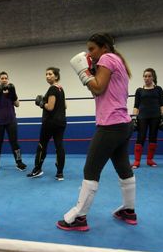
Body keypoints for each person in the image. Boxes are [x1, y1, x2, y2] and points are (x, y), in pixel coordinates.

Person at [57, 33, 137, 231]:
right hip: (122, 124)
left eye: (92, 49)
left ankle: (79, 218)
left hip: (110, 125)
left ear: (104, 47)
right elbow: (97, 91)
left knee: (90, 170)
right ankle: (129, 210)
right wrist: (90, 71)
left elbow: (98, 88)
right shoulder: (116, 61)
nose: (89, 53)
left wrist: (83, 72)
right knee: (123, 167)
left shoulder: (108, 58)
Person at [27, 67, 66, 180]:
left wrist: (41, 103)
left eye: (50, 74)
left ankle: (37, 169)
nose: (47, 76)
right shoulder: (61, 89)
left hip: (50, 122)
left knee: (42, 145)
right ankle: (60, 173)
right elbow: (65, 106)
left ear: (56, 76)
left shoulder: (53, 89)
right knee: (59, 146)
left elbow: (50, 107)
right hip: (61, 122)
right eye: (46, 74)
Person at [0, 71, 26, 171]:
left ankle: (19, 162)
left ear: (8, 79)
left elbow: (17, 104)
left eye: (6, 78)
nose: (4, 80)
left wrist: (13, 95)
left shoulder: (11, 90)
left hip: (11, 121)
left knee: (14, 142)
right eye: (2, 78)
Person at [131, 68, 163, 168]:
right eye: (145, 76)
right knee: (140, 137)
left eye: (149, 76)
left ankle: (150, 160)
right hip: (142, 117)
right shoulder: (139, 90)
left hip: (155, 116)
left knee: (153, 137)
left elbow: (162, 104)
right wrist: (134, 118)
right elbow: (136, 105)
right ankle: (137, 161)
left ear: (153, 77)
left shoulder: (158, 89)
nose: (147, 78)